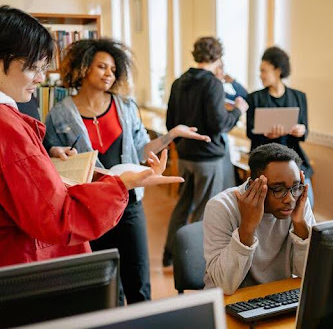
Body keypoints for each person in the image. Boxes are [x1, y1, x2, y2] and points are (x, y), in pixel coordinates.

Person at [0, 5, 181, 274]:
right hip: (14, 263)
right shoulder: (2, 123)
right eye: (32, 67)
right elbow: (58, 218)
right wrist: (121, 184)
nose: (41, 78)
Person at [45, 38, 210, 304]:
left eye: (112, 69)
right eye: (101, 67)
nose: (109, 74)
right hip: (90, 209)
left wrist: (172, 135)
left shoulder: (126, 106)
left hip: (129, 203)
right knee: (106, 286)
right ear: (84, 67)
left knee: (139, 283)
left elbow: (144, 148)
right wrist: (55, 153)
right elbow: (51, 161)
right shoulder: (59, 114)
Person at [163, 36, 249, 267]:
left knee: (183, 205)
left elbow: (170, 122)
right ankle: (192, 263)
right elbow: (219, 124)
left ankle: (170, 254)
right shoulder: (212, 83)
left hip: (185, 156)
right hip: (208, 158)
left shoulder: (179, 82)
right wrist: (239, 110)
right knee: (203, 211)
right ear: (217, 57)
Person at [203, 143, 316, 295]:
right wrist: (247, 227)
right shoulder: (221, 207)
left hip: (276, 296)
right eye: (278, 189)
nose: (289, 199)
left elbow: (309, 273)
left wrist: (300, 224)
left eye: (295, 186)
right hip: (230, 302)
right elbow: (225, 284)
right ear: (253, 185)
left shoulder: (298, 201)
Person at [246, 46, 314, 206]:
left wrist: (301, 130)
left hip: (293, 157)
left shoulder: (298, 97)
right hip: (265, 160)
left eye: (264, 71)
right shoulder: (254, 98)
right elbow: (250, 132)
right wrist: (266, 135)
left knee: (307, 202)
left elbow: (305, 129)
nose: (260, 75)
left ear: (277, 70)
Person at [0, 65, 67, 159]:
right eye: (31, 67)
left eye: (42, 68)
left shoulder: (20, 88)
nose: (40, 79)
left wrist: (49, 149)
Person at [215, 64, 248, 189]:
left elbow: (244, 97)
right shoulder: (213, 92)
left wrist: (233, 82)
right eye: (220, 69)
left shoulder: (221, 92)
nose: (223, 73)